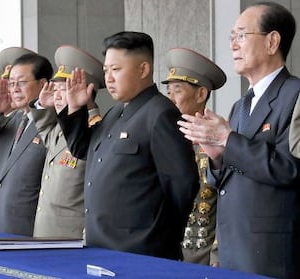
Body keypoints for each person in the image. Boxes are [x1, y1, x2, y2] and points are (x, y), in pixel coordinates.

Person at [177, 2, 300, 278]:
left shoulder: (295, 95)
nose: (233, 45)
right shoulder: (240, 105)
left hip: (270, 253)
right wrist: (217, 156)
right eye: (232, 37)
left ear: (272, 41)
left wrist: (228, 140)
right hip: (233, 248)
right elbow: (229, 176)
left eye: (241, 36)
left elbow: (291, 169)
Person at [57, 31, 199, 259]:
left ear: (143, 69)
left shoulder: (161, 114)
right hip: (101, 245)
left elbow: (182, 185)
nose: (109, 78)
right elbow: (84, 150)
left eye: (116, 69)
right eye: (106, 71)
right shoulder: (115, 113)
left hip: (139, 252)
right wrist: (75, 109)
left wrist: (159, 240)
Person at [0, 52, 56, 236]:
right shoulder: (12, 120)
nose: (15, 89)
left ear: (43, 84)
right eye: (11, 83)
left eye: (22, 82)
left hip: (27, 228)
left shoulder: (52, 123)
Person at [162, 47, 226, 266]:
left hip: (200, 257)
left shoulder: (218, 145)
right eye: (168, 91)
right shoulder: (164, 142)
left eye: (177, 91)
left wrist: (217, 258)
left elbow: (226, 207)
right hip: (163, 252)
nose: (170, 99)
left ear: (201, 94)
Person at [32, 45, 104, 238]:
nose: (57, 95)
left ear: (85, 92)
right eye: (55, 89)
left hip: (72, 235)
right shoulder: (59, 127)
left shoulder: (96, 129)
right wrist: (41, 105)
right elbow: (45, 130)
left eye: (64, 89)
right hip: (46, 231)